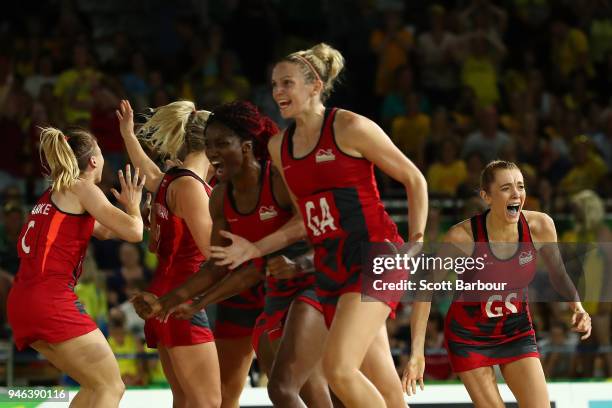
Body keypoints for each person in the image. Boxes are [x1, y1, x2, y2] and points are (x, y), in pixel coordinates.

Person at [213, 43, 429, 407]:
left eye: (287, 83)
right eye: (274, 85)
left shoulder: (350, 126)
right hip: (332, 268)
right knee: (389, 392)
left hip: (375, 255)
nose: (278, 92)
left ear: (314, 85)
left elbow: (414, 178)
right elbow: (304, 223)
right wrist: (255, 248)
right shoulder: (281, 148)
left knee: (339, 371)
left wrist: (418, 239)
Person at [143, 101, 333, 408]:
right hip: (246, 296)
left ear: (245, 147)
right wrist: (192, 301)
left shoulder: (278, 178)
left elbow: (319, 231)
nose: (213, 153)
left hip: (306, 286)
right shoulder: (217, 194)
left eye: (220, 144)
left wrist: (287, 259)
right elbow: (221, 264)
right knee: (226, 398)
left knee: (319, 383)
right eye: (209, 145)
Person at [433, 160, 591, 407]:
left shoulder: (540, 225)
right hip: (469, 335)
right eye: (506, 188)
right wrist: (415, 355)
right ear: (486, 196)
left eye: (521, 186)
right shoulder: (462, 236)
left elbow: (558, 272)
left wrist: (578, 307)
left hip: (515, 329)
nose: (516, 193)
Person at [7, 127, 144, 407]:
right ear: (94, 160)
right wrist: (134, 207)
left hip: (23, 302)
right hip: (51, 300)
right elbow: (134, 232)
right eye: (102, 153)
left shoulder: (55, 193)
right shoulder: (82, 187)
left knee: (95, 386)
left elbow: (105, 231)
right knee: (111, 386)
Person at [116, 99, 221, 408]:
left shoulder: (169, 181)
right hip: (181, 298)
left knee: (186, 400)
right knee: (208, 402)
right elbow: (213, 253)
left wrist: (128, 136)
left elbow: (147, 171)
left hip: (163, 291)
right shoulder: (190, 186)